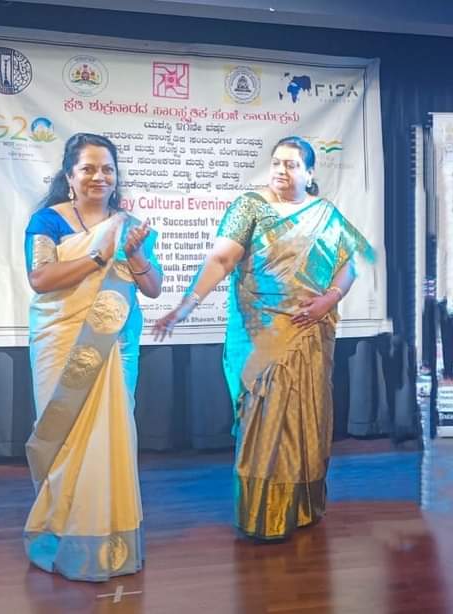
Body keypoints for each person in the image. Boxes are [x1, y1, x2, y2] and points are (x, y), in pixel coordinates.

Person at [152, 136, 372, 541]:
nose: (281, 171)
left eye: (291, 164)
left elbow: (352, 263)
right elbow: (221, 260)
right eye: (276, 163)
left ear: (309, 172)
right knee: (264, 420)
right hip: (261, 334)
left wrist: (330, 298)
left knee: (309, 417)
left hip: (311, 333)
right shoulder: (249, 206)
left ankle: (302, 507)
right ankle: (262, 516)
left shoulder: (326, 213)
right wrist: (184, 306)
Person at [23, 132, 162, 581]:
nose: (99, 176)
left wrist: (135, 255)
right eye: (88, 168)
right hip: (62, 343)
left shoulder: (128, 224)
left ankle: (110, 538)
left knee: (110, 440)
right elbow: (41, 279)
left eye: (107, 169)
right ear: (70, 175)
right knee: (64, 439)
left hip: (114, 348)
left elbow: (152, 287)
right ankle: (57, 537)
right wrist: (98, 257)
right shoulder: (48, 221)